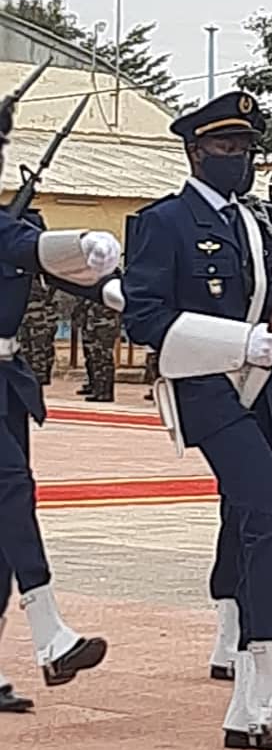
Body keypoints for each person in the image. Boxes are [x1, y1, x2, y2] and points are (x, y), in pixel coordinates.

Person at [122, 92, 272, 750]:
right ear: (195, 151)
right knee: (265, 513)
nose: (240, 159)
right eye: (228, 148)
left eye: (248, 149)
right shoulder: (162, 223)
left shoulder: (261, 221)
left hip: (266, 391)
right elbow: (144, 320)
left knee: (268, 518)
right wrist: (233, 345)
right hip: (209, 389)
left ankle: (250, 706)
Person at [0, 101, 121, 712]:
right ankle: (50, 634)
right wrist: (73, 242)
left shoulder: (16, 223)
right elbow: (31, 244)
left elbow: (57, 267)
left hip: (6, 380)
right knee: (12, 490)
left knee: (2, 527)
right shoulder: (10, 227)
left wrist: (114, 284)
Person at [17, 273, 59, 387]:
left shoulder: (42, 278)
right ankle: (32, 375)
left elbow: (49, 296)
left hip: (38, 318)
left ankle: (39, 376)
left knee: (38, 348)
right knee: (27, 347)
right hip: (26, 316)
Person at [80, 300, 120, 403]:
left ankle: (105, 392)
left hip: (105, 325)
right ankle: (99, 390)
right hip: (95, 324)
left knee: (104, 358)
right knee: (96, 357)